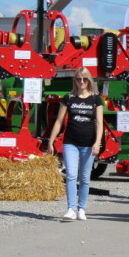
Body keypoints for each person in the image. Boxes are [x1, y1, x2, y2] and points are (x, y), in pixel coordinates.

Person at [47, 67, 104, 221]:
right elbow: (59, 121)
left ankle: (82, 208)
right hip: (70, 141)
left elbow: (99, 123)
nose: (82, 82)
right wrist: (51, 141)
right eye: (78, 79)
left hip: (89, 143)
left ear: (89, 80)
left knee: (85, 177)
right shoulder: (69, 98)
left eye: (85, 79)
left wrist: (97, 142)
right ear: (75, 81)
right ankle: (70, 208)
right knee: (71, 175)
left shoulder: (96, 99)